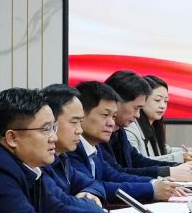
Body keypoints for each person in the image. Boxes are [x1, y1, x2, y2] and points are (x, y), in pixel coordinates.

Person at [0, 87, 139, 213]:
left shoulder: (27, 163)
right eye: (46, 129)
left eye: (54, 127)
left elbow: (56, 211)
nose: (54, 137)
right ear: (12, 138)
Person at [55, 79, 183, 203]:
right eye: (105, 115)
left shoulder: (94, 145)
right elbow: (95, 186)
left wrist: (154, 183)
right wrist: (151, 188)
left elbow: (112, 175)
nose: (111, 123)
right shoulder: (71, 149)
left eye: (113, 116)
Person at [101, 71, 192, 180]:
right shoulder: (111, 131)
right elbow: (115, 174)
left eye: (166, 101)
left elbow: (138, 161)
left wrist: (176, 167)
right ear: (117, 101)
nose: (138, 115)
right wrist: (164, 175)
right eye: (136, 108)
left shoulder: (119, 130)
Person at [130, 74, 192, 164]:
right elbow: (138, 163)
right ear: (142, 100)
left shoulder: (152, 125)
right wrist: (180, 157)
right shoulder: (130, 127)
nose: (163, 106)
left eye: (166, 101)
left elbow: (165, 151)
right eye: (157, 100)